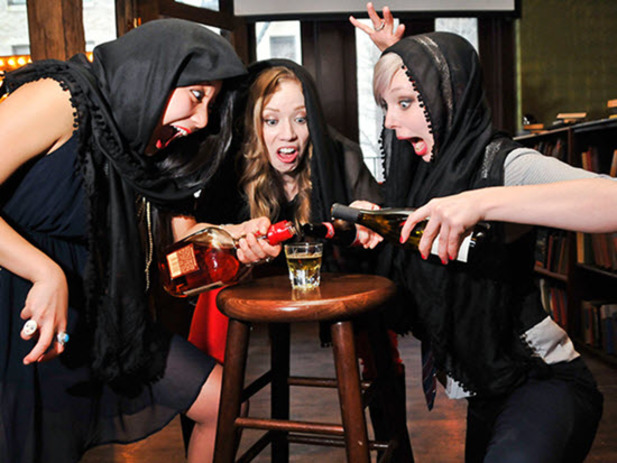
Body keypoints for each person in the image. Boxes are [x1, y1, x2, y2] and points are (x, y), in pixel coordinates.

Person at [0, 19, 280, 463]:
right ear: (156, 71)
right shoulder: (61, 99)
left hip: (99, 315)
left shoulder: (147, 143)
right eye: (196, 95)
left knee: (221, 401)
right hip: (15, 304)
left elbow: (182, 240)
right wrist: (44, 271)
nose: (204, 118)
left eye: (212, 102)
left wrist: (237, 239)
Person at [351, 12, 616, 461]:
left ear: (444, 99)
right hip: (485, 395)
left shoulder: (500, 163)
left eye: (405, 104)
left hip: (543, 383)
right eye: (385, 107)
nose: (392, 123)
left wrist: (482, 202)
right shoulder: (422, 177)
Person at [188, 59, 412, 459]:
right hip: (252, 281)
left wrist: (367, 220)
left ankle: (394, 447)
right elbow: (201, 238)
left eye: (301, 119)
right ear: (252, 123)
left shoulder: (340, 154)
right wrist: (237, 245)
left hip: (335, 277)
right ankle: (212, 415)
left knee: (378, 336)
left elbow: (378, 230)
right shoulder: (233, 161)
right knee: (213, 302)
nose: (288, 135)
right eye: (271, 121)